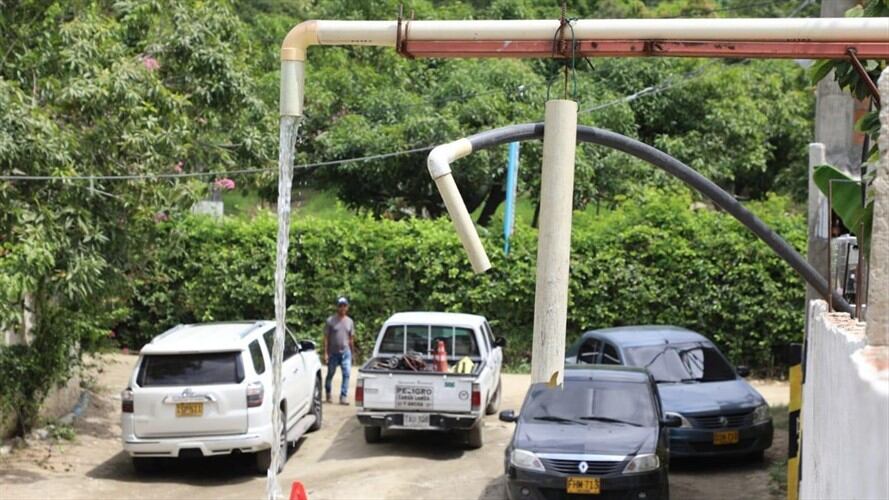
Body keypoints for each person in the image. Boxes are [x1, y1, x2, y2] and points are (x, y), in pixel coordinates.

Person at [323, 297, 356, 405]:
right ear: (337, 307)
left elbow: (351, 339)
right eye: (340, 305)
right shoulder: (330, 321)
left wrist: (353, 353)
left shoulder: (350, 322)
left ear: (347, 307)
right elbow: (326, 338)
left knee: (346, 374)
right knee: (330, 374)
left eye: (344, 306)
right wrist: (326, 353)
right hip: (333, 353)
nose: (342, 308)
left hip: (346, 352)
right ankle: (328, 394)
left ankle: (343, 397)